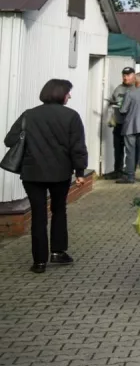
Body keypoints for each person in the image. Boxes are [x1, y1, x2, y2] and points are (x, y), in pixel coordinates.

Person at [5, 79, 88, 273]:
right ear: (60, 94)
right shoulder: (71, 116)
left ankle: (39, 261)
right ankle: (58, 252)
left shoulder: (29, 115)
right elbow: (78, 147)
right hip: (60, 173)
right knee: (59, 211)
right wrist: (80, 172)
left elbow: (9, 140)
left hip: (32, 173)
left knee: (38, 215)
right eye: (68, 92)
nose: (70, 96)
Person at [107, 68, 134, 179]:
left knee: (130, 149)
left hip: (130, 125)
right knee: (117, 148)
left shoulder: (136, 89)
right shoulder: (118, 89)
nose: (125, 77)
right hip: (119, 123)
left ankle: (129, 172)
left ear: (133, 76)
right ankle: (117, 170)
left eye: (128, 75)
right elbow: (113, 101)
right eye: (124, 75)